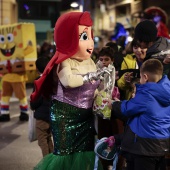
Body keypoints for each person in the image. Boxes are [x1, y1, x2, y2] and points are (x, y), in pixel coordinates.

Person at [30, 11, 103, 170]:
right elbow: (68, 81)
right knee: (65, 155)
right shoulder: (63, 61)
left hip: (86, 117)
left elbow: (94, 88)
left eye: (90, 36)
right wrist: (90, 77)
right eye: (84, 37)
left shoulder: (90, 61)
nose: (90, 43)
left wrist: (102, 98)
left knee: (85, 155)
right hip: (65, 115)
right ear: (67, 38)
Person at [108, 59, 170, 170]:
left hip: (144, 147)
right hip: (162, 145)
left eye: (141, 77)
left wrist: (114, 104)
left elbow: (127, 109)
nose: (140, 81)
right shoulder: (166, 89)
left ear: (145, 77)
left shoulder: (146, 93)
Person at [96, 46, 125, 170]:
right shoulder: (96, 71)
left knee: (116, 138)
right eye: (101, 59)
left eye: (106, 59)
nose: (103, 62)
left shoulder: (115, 72)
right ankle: (105, 165)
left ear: (112, 60)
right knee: (103, 138)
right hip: (101, 111)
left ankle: (117, 165)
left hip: (114, 111)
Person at [30, 56, 53, 157]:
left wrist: (32, 105)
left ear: (37, 69)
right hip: (52, 116)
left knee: (42, 141)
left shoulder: (38, 81)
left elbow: (35, 101)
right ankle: (52, 162)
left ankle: (46, 163)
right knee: (49, 139)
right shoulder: (53, 79)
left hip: (41, 118)